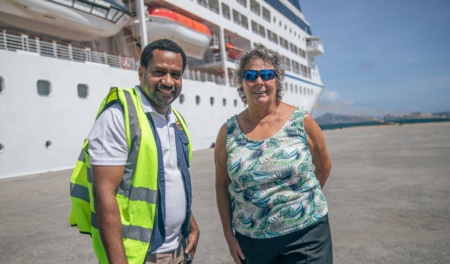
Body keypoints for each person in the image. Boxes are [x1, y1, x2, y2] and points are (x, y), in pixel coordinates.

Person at [69, 39, 199, 264]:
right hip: (138, 255)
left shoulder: (176, 119)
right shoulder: (120, 115)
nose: (168, 81)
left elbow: (172, 178)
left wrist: (190, 223)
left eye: (176, 74)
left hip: (176, 247)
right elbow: (104, 195)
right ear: (141, 72)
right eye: (159, 72)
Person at [214, 44, 332, 264]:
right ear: (241, 82)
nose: (259, 82)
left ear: (277, 80)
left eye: (267, 74)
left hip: (306, 234)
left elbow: (324, 166)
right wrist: (229, 237)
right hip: (252, 241)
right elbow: (222, 183)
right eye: (250, 75)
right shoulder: (228, 132)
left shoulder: (301, 121)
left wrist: (301, 200)